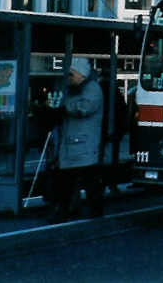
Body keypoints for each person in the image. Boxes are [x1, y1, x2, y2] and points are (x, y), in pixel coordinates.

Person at [48, 57, 105, 223]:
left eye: (72, 74)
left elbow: (84, 108)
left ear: (81, 74)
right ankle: (69, 209)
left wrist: (65, 107)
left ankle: (85, 211)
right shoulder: (75, 88)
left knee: (84, 180)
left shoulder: (92, 89)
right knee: (72, 180)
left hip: (84, 144)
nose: (69, 78)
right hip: (74, 144)